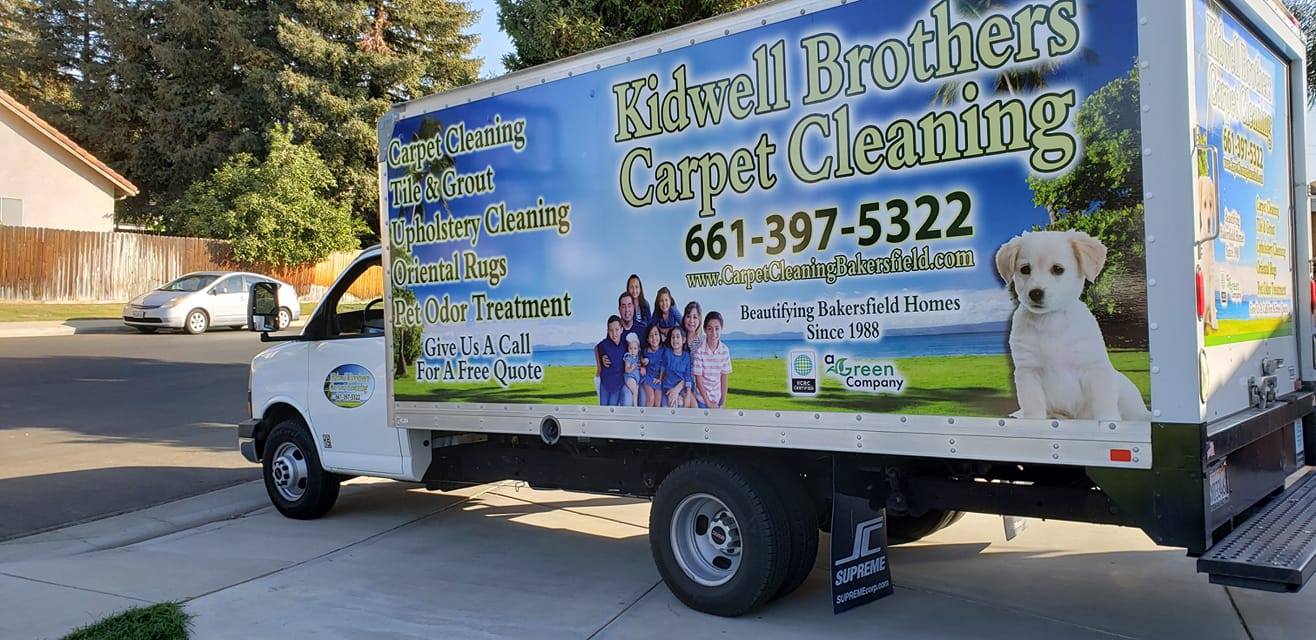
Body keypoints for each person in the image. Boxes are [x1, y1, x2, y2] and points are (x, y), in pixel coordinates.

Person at [692, 311, 731, 409]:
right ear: (705, 330)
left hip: (717, 399)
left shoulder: (725, 350)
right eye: (710, 329)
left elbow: (724, 378)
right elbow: (698, 380)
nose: (714, 333)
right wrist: (708, 403)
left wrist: (723, 401)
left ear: (721, 329)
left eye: (717, 329)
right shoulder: (699, 351)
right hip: (701, 400)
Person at [661, 325, 697, 408]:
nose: (675, 339)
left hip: (683, 387)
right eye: (673, 337)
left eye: (678, 337)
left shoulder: (686, 356)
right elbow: (663, 370)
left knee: (694, 405)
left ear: (683, 340)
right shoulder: (667, 353)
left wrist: (688, 394)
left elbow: (687, 376)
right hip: (669, 387)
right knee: (677, 403)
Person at [595, 315, 627, 406]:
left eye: (617, 329)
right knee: (603, 407)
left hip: (617, 383)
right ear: (608, 331)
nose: (614, 333)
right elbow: (596, 348)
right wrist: (599, 365)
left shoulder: (625, 345)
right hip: (605, 382)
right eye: (611, 330)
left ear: (621, 329)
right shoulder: (604, 344)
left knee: (612, 408)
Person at [639, 324, 664, 407]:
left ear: (660, 336)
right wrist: (642, 363)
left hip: (658, 379)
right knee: (651, 398)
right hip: (648, 377)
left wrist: (660, 379)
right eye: (651, 335)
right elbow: (640, 359)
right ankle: (646, 419)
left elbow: (663, 367)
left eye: (656, 334)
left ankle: (656, 419)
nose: (654, 338)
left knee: (658, 401)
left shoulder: (664, 350)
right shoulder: (646, 351)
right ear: (648, 339)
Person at [623, 333, 641, 407]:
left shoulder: (637, 357)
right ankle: (635, 405)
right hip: (629, 377)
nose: (632, 351)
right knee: (635, 390)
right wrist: (632, 367)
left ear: (638, 349)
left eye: (635, 348)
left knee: (636, 389)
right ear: (628, 349)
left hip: (635, 378)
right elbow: (627, 370)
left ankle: (636, 404)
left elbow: (640, 365)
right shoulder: (628, 357)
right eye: (630, 348)